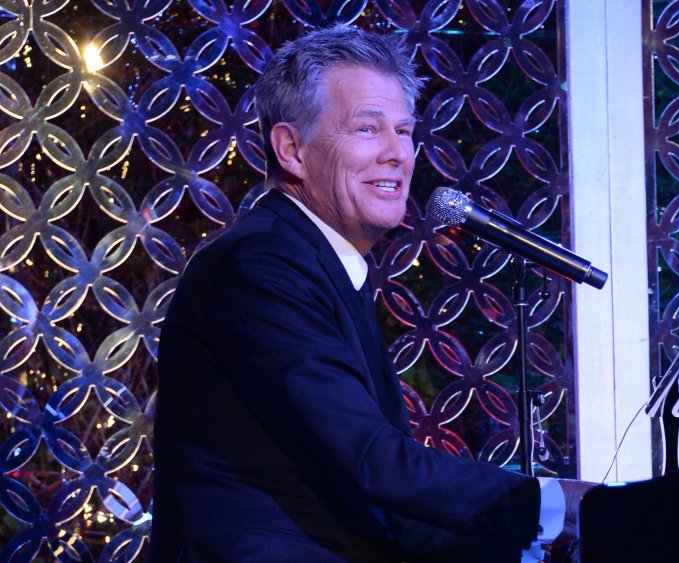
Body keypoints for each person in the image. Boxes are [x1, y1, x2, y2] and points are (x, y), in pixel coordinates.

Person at [150, 23, 592, 562]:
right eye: (367, 129)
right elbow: (370, 462)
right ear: (291, 148)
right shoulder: (263, 264)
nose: (397, 154)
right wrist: (558, 504)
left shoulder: (322, 264)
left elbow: (376, 505)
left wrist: (534, 544)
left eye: (404, 131)